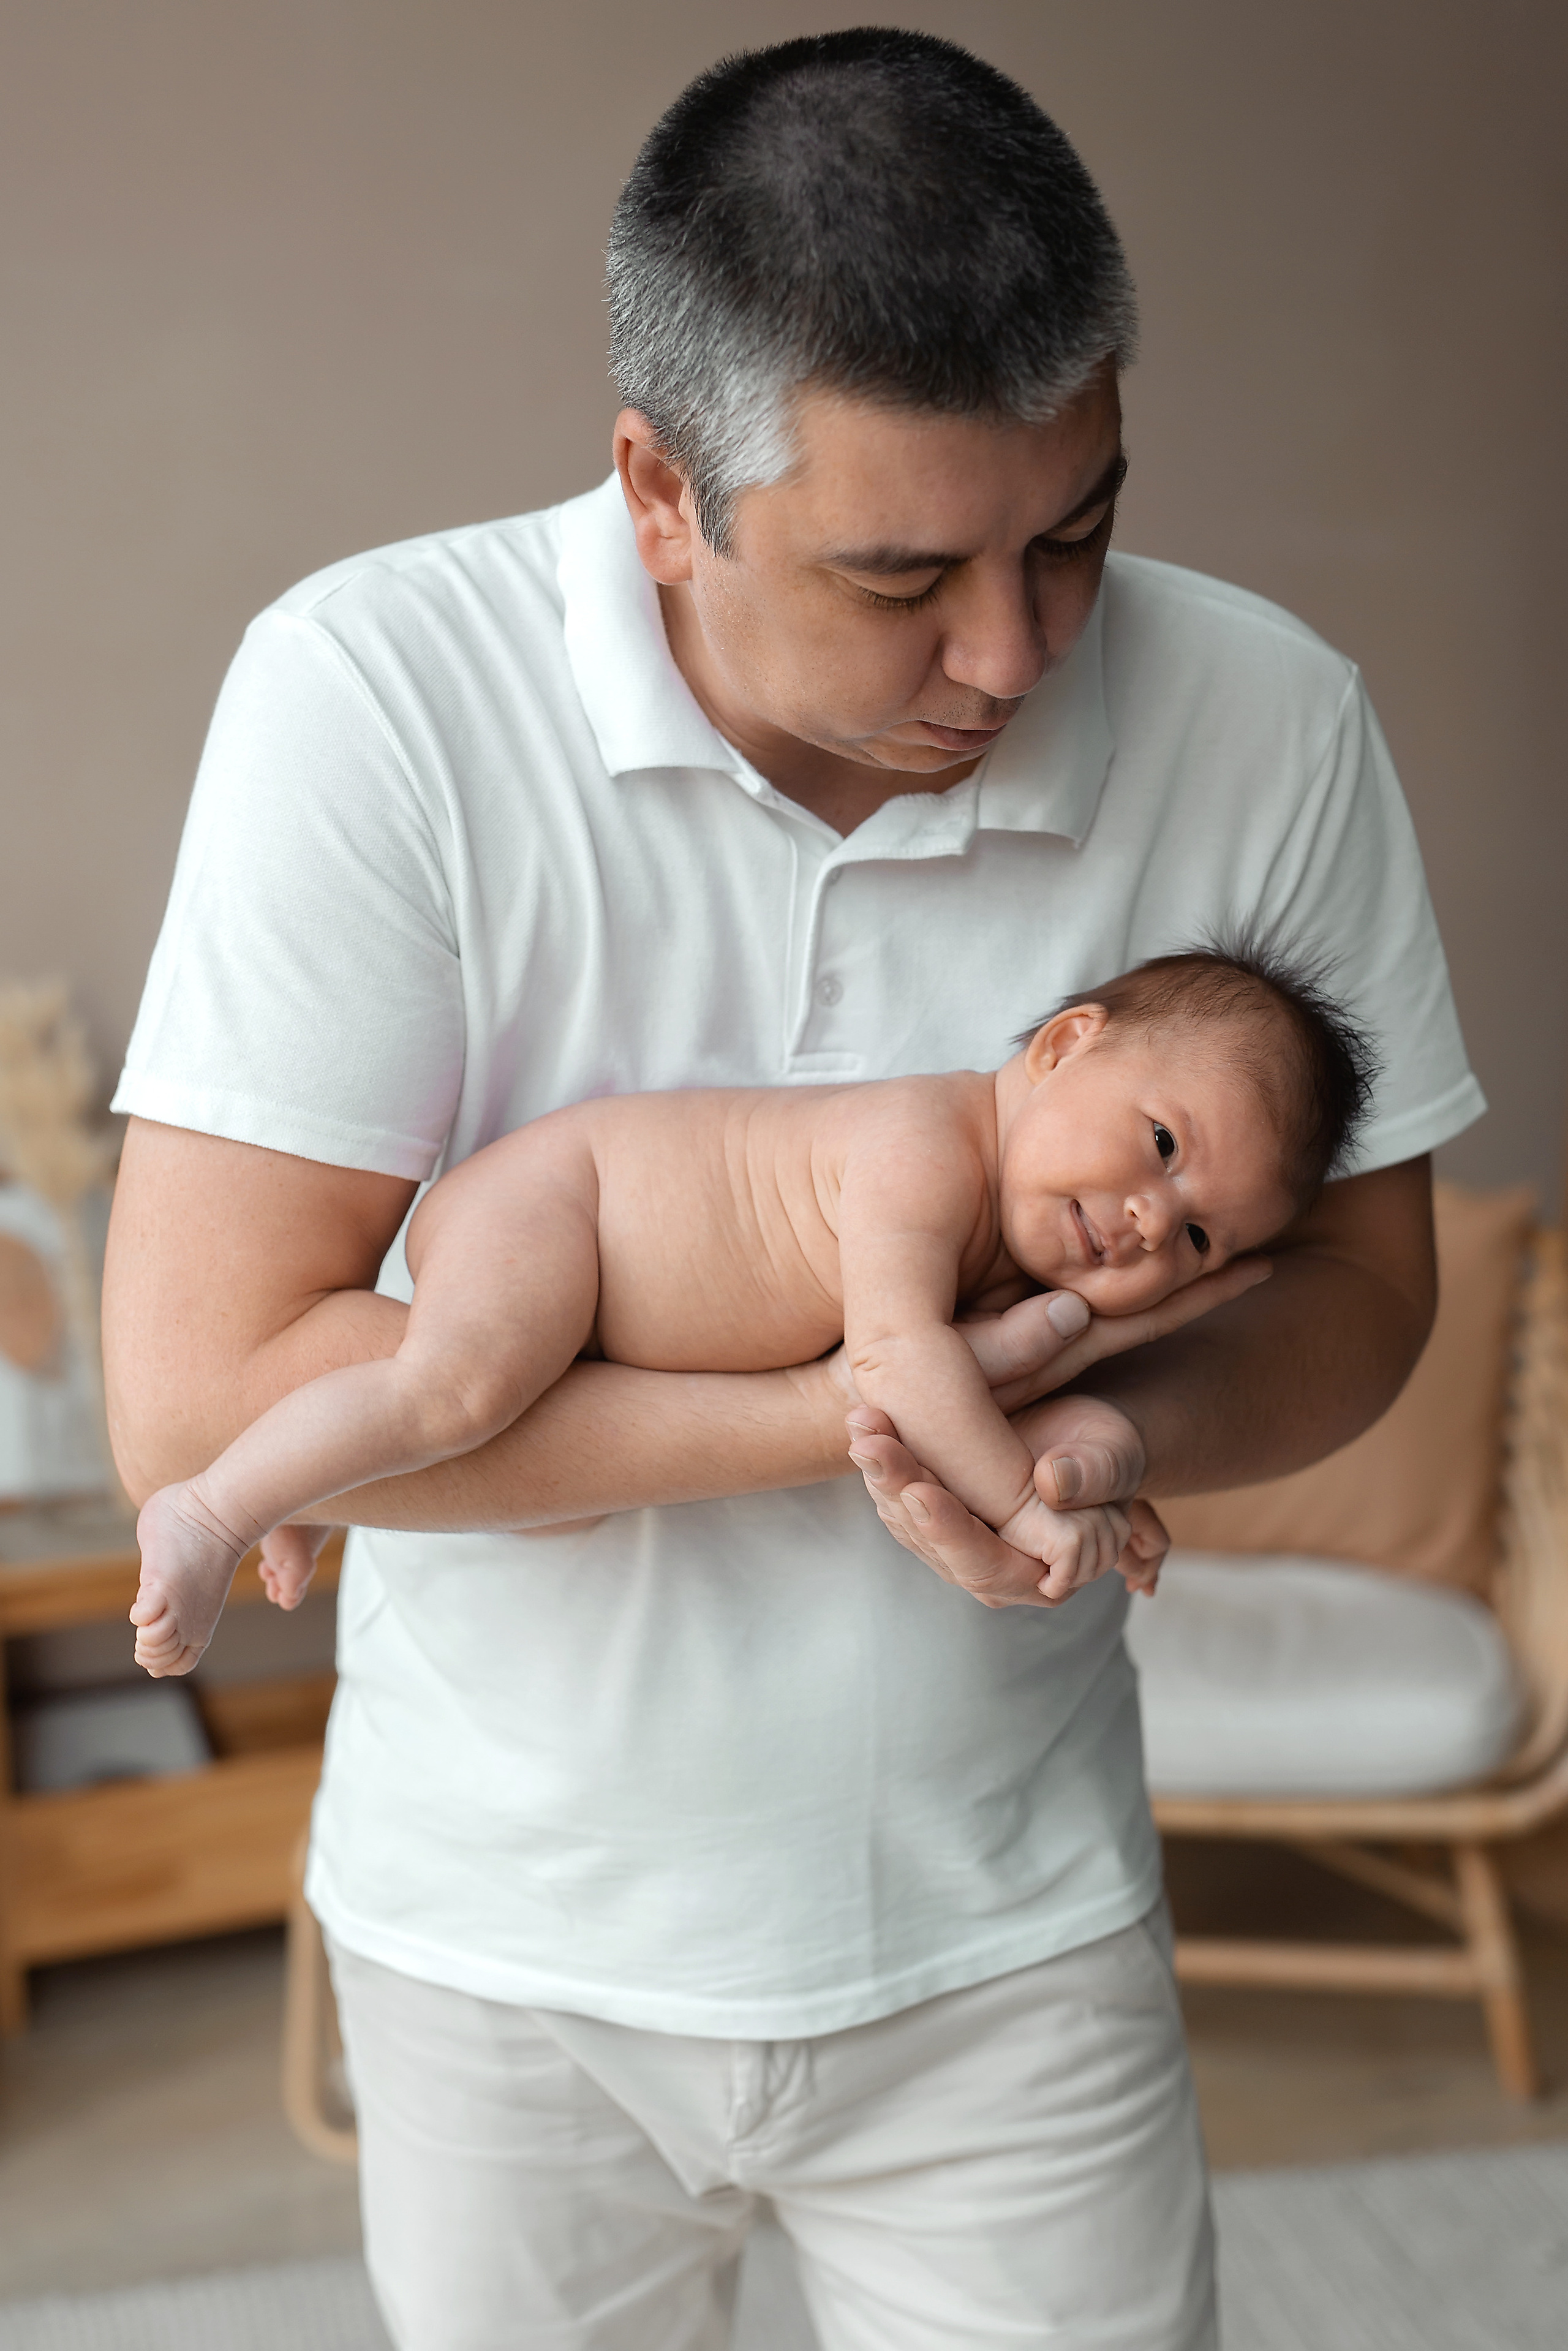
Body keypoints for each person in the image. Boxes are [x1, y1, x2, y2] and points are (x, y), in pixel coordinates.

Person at [102, 29, 1482, 2351]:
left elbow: (1360, 1285)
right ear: (658, 488)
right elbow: (202, 1410)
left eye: (1078, 529)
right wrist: (876, 1399)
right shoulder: (375, 696)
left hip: (1011, 1930)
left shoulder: (1268, 719)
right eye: (898, 574)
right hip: (500, 1942)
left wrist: (1107, 1431)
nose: (1013, 651)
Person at [128, 943, 1373, 1676]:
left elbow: (1005, 1393)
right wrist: (1013, 1509)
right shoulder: (921, 1149)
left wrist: (1098, 1493)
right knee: (457, 1389)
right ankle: (216, 1503)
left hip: (611, 1313)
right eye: (1160, 1142)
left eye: (1200, 1231)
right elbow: (894, 1361)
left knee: (554, 1493)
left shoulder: (1013, 1254)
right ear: (1059, 1047)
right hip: (566, 1208)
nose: (1153, 1217)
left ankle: (299, 1485)